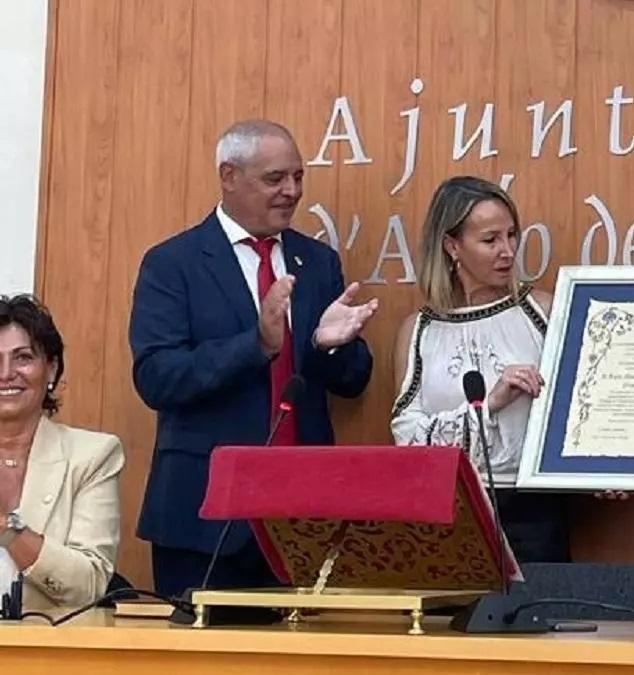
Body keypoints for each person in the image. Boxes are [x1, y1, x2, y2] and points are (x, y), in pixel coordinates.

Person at [130, 119, 378, 599]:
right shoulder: (171, 263)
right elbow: (157, 377)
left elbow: (354, 380)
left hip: (303, 518)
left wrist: (327, 347)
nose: (291, 191)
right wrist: (257, 345)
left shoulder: (317, 262)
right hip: (204, 520)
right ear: (228, 176)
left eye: (298, 177)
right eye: (275, 179)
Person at [390, 175, 569, 563]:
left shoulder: (543, 310)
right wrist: (490, 405)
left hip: (533, 513)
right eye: (490, 240)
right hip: (449, 512)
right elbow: (407, 437)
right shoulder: (419, 330)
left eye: (511, 235)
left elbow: (582, 401)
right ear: (452, 245)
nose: (507, 251)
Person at [0, 294, 124, 611]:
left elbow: (89, 585)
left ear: (51, 369)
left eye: (23, 357)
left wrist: (8, 529)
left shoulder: (92, 456)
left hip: (44, 650)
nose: (6, 373)